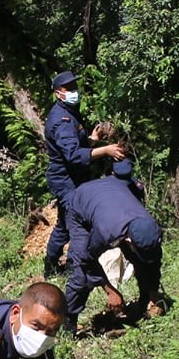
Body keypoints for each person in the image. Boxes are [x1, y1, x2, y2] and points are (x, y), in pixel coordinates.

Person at [41, 71, 126, 276]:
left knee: (64, 224)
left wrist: (92, 139)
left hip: (73, 177)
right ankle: (73, 270)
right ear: (58, 93)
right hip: (65, 180)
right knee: (77, 225)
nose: (73, 92)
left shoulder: (69, 112)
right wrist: (105, 150)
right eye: (68, 89)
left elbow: (75, 146)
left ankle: (51, 266)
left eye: (74, 87)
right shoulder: (61, 119)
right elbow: (72, 155)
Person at [62, 164, 165, 328]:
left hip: (112, 196)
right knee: (81, 274)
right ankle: (68, 322)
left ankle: (145, 300)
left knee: (143, 260)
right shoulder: (106, 232)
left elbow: (153, 260)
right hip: (81, 203)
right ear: (128, 240)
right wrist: (110, 291)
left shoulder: (150, 227)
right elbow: (86, 260)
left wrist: (153, 293)